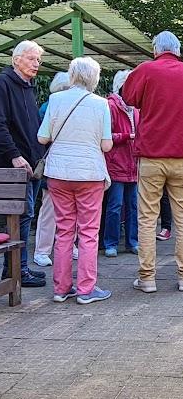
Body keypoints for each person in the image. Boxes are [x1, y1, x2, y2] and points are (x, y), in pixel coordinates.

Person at [38, 57, 113, 304]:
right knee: (89, 232)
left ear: (71, 76)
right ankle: (86, 289)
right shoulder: (101, 104)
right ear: (95, 78)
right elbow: (106, 144)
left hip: (58, 173)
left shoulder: (56, 100)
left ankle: (61, 288)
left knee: (64, 231)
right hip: (89, 174)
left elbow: (42, 138)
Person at [123, 30, 183, 293]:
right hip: (182, 156)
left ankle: (147, 278)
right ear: (178, 50)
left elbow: (128, 98)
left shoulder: (146, 70)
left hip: (150, 156)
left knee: (147, 218)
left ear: (156, 49)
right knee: (182, 219)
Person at [0, 40, 47, 287]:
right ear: (17, 59)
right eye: (32, 59)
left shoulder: (28, 87)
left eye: (38, 60)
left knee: (25, 216)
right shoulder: (2, 84)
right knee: (21, 216)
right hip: (14, 165)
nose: (36, 64)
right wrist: (13, 155)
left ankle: (18, 268)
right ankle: (16, 270)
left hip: (32, 164)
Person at [34, 71, 71, 267]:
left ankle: (43, 250)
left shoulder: (46, 107)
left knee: (49, 209)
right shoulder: (50, 107)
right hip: (60, 165)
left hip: (54, 165)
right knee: (58, 210)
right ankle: (45, 250)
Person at [102, 70, 138, 258]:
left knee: (133, 206)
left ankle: (133, 242)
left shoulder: (136, 108)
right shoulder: (111, 106)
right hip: (117, 165)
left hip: (133, 165)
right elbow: (105, 136)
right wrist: (126, 137)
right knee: (115, 206)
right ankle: (111, 243)